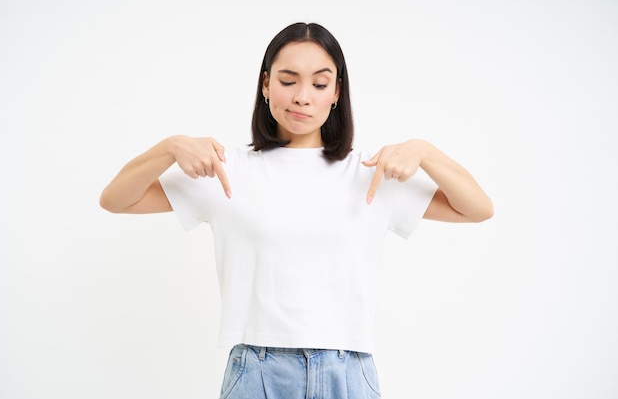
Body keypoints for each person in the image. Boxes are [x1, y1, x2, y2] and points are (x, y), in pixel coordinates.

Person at [100, 22, 493, 399]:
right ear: (266, 85)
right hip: (257, 370)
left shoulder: (370, 173)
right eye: (288, 81)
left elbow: (477, 208)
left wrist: (426, 151)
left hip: (347, 372)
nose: (303, 96)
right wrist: (168, 147)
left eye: (319, 83)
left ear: (337, 92)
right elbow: (116, 199)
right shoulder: (226, 170)